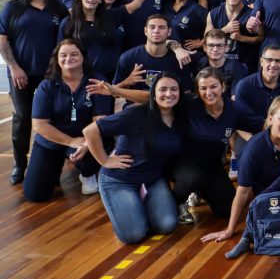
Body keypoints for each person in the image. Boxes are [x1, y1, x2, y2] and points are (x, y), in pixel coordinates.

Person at [199, 96, 280, 246]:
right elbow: (242, 193)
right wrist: (230, 229)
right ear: (270, 118)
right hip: (272, 194)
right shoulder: (253, 150)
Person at [82, 73, 185, 244]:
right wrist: (105, 160)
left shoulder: (180, 115)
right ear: (153, 93)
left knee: (166, 225)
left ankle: (138, 204)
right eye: (163, 89)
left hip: (153, 179)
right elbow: (90, 131)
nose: (168, 94)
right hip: (120, 180)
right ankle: (128, 207)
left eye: (174, 89)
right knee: (134, 235)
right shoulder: (135, 114)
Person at [0, 0, 68, 184]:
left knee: (55, 118)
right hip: (21, 72)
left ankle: (52, 166)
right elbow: (2, 40)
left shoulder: (58, 10)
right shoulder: (13, 8)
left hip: (51, 74)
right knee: (22, 117)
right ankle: (20, 164)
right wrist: (14, 67)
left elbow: (65, 43)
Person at [23, 39, 114, 201]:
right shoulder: (47, 85)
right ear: (57, 60)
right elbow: (40, 125)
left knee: (87, 160)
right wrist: (71, 141)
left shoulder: (96, 81)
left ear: (83, 57)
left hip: (85, 140)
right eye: (63, 55)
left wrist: (87, 144)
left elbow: (100, 120)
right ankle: (55, 166)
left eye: (74, 54)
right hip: (53, 141)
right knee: (35, 195)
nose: (68, 58)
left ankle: (88, 173)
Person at [171, 67, 244, 224]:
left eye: (213, 86)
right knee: (192, 178)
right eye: (203, 88)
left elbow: (260, 124)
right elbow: (155, 98)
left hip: (211, 165)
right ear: (197, 90)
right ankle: (176, 203)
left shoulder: (234, 108)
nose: (208, 92)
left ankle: (199, 191)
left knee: (227, 209)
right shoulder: (187, 104)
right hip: (183, 162)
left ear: (223, 86)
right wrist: (118, 91)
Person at [231, 44, 280, 134]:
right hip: (249, 134)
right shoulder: (244, 85)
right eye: (269, 60)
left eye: (278, 61)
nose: (273, 64)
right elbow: (240, 118)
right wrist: (256, 142)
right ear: (261, 61)